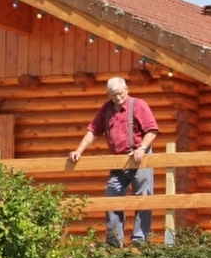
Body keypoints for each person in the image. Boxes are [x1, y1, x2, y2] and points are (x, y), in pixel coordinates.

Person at [68, 76, 159, 247]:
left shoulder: (138, 105)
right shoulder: (107, 109)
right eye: (113, 95)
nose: (117, 98)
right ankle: (114, 243)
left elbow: (152, 130)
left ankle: (140, 242)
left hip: (139, 158)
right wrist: (78, 151)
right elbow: (93, 131)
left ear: (126, 89)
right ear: (108, 95)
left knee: (143, 199)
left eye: (120, 93)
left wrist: (142, 148)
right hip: (117, 162)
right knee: (112, 199)